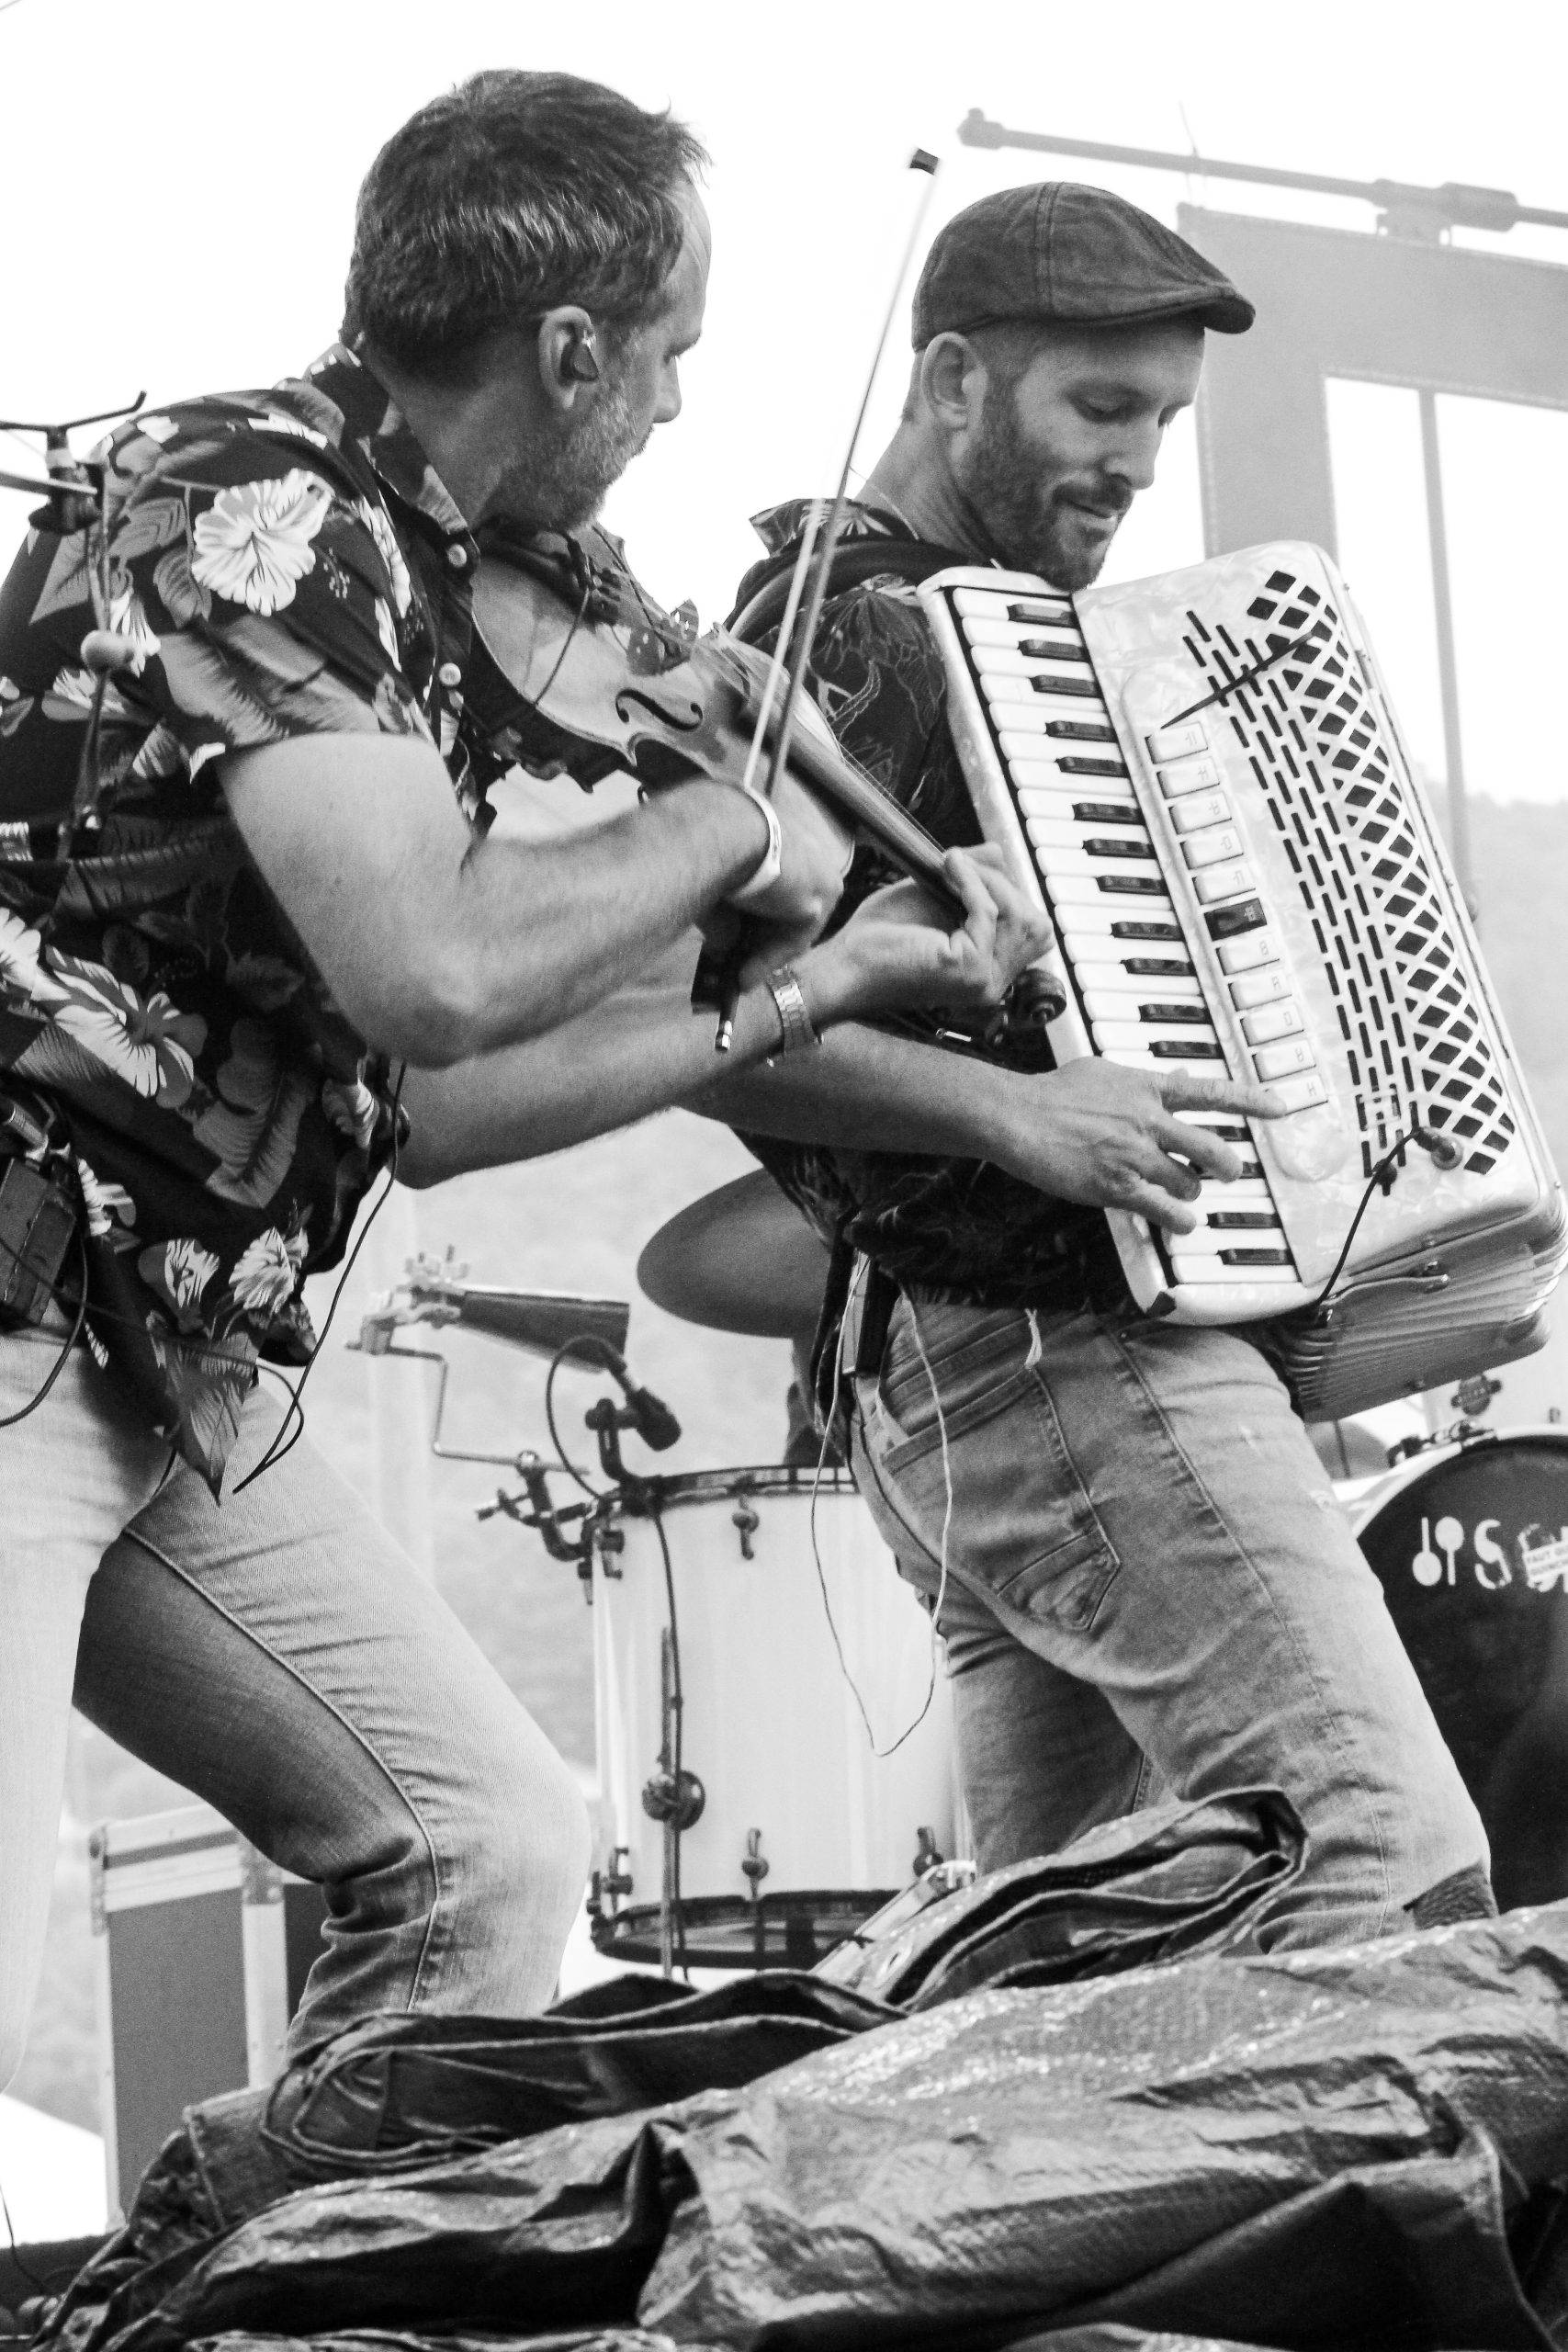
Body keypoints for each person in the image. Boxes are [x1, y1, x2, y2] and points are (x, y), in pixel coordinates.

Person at [0, 71, 1044, 2092]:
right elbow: (445, 966)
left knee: (483, 1841)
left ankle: (294, 2263)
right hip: (14, 1300)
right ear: (569, 350)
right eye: (667, 360)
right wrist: (734, 826)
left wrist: (827, 975)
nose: (672, 411)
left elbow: (439, 1103)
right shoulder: (253, 501)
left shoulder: (432, 587)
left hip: (164, 1354)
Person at [699, 183, 1494, 1947]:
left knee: (1072, 1965)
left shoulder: (986, 633)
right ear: (954, 382)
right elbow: (698, 1029)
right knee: (1389, 1865)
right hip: (1065, 1351)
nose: (1135, 463)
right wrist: (1018, 1111)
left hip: (989, 1372)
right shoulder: (864, 629)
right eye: (1099, 407)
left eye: (1163, 422)